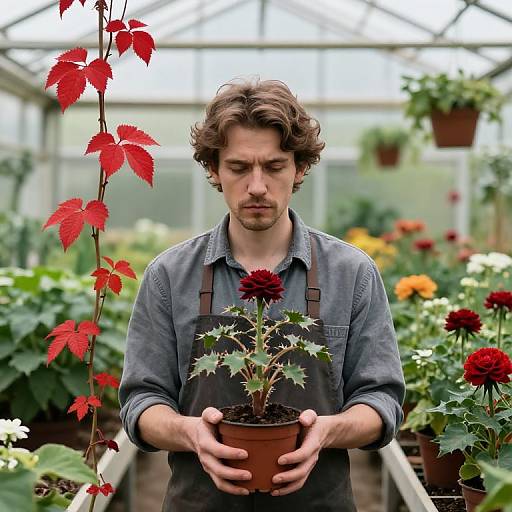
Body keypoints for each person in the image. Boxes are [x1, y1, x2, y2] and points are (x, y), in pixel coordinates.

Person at [119, 79, 405, 511]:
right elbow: (142, 401)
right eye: (238, 167)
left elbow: (381, 399)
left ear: (300, 168)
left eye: (274, 166)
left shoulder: (351, 273)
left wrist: (327, 431)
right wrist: (189, 432)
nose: (257, 186)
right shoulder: (170, 275)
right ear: (214, 169)